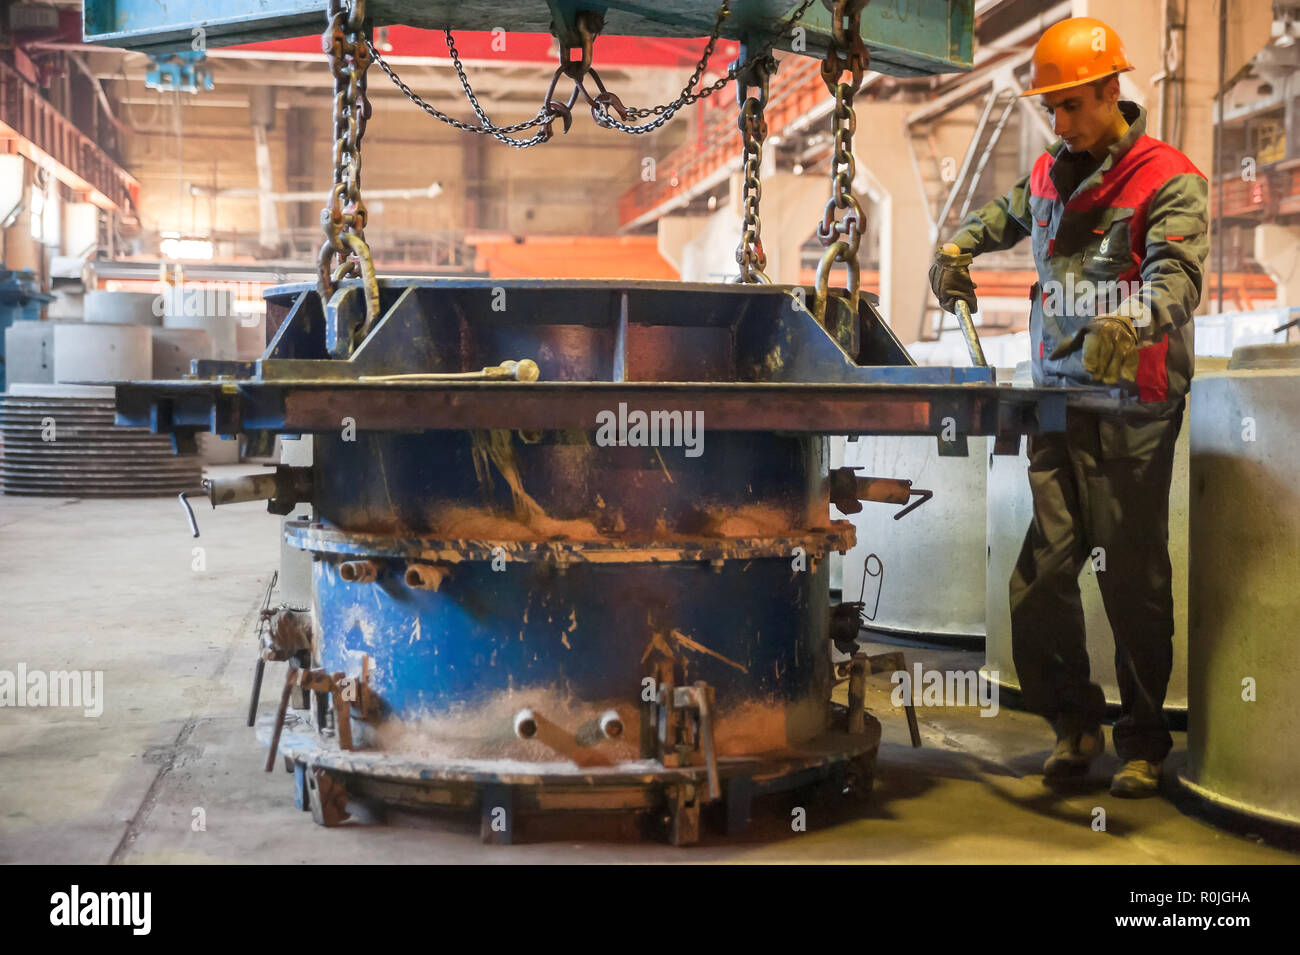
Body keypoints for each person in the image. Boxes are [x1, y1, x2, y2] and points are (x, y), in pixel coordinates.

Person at [928, 16, 1209, 797]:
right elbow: (1006, 213)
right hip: (1054, 396)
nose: (1061, 123)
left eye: (1074, 105)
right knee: (1043, 576)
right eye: (1051, 108)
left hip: (1132, 404)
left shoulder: (1169, 178)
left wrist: (1135, 320)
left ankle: (1144, 741)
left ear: (1113, 92)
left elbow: (1178, 276)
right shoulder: (1053, 171)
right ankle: (1073, 721)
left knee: (1131, 579)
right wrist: (956, 249)